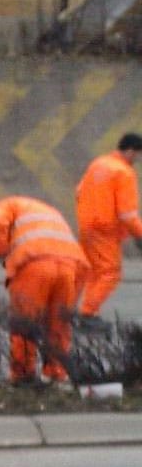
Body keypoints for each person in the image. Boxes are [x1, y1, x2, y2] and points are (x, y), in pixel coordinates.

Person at [0, 196, 89, 386]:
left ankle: (23, 375)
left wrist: (1, 252)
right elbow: (83, 266)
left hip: (33, 265)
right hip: (69, 267)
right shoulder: (50, 212)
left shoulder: (6, 205)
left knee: (25, 323)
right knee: (58, 324)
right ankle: (56, 373)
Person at [75, 131, 142, 326]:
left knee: (93, 272)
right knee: (110, 272)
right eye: (138, 154)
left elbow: (79, 192)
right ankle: (87, 314)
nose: (138, 159)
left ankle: (75, 312)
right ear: (130, 151)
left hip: (87, 226)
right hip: (105, 230)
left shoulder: (98, 163)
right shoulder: (124, 173)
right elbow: (127, 214)